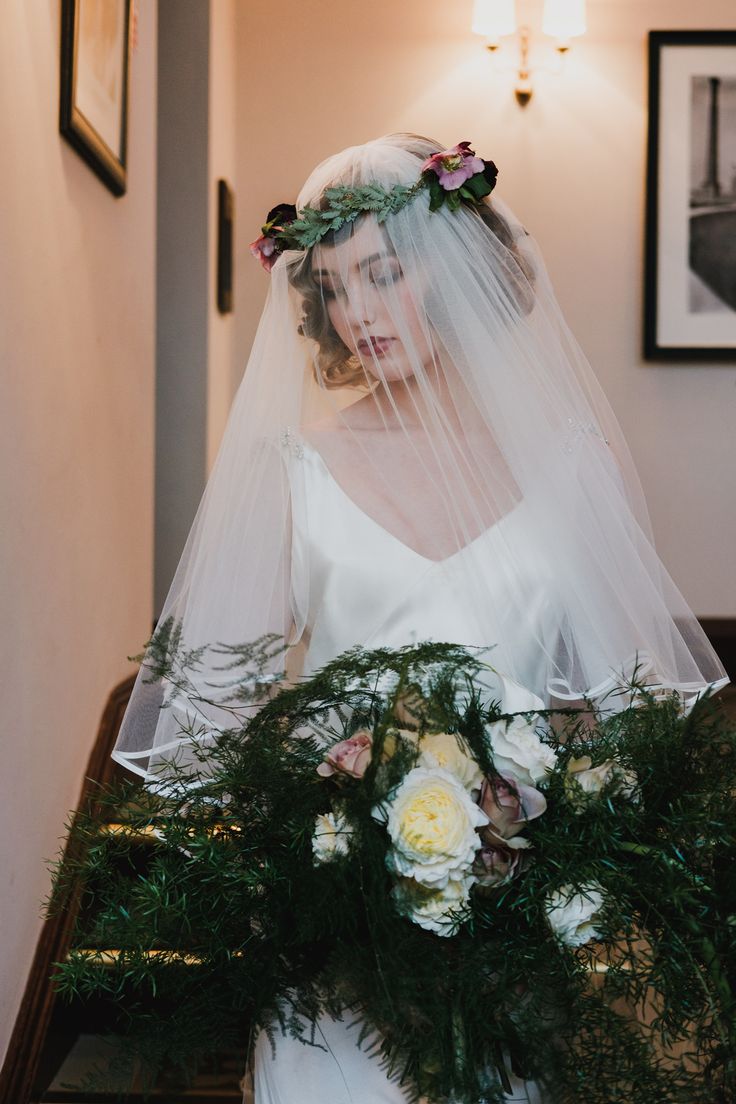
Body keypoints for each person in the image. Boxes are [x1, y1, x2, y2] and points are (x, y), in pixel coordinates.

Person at [112, 134, 728, 1102]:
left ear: (448, 274)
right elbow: (213, 728)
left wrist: (540, 839)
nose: (357, 314)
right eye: (334, 287)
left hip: (511, 944)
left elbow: (624, 721)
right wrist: (318, 838)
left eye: (384, 275)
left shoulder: (570, 463)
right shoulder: (292, 470)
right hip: (337, 948)